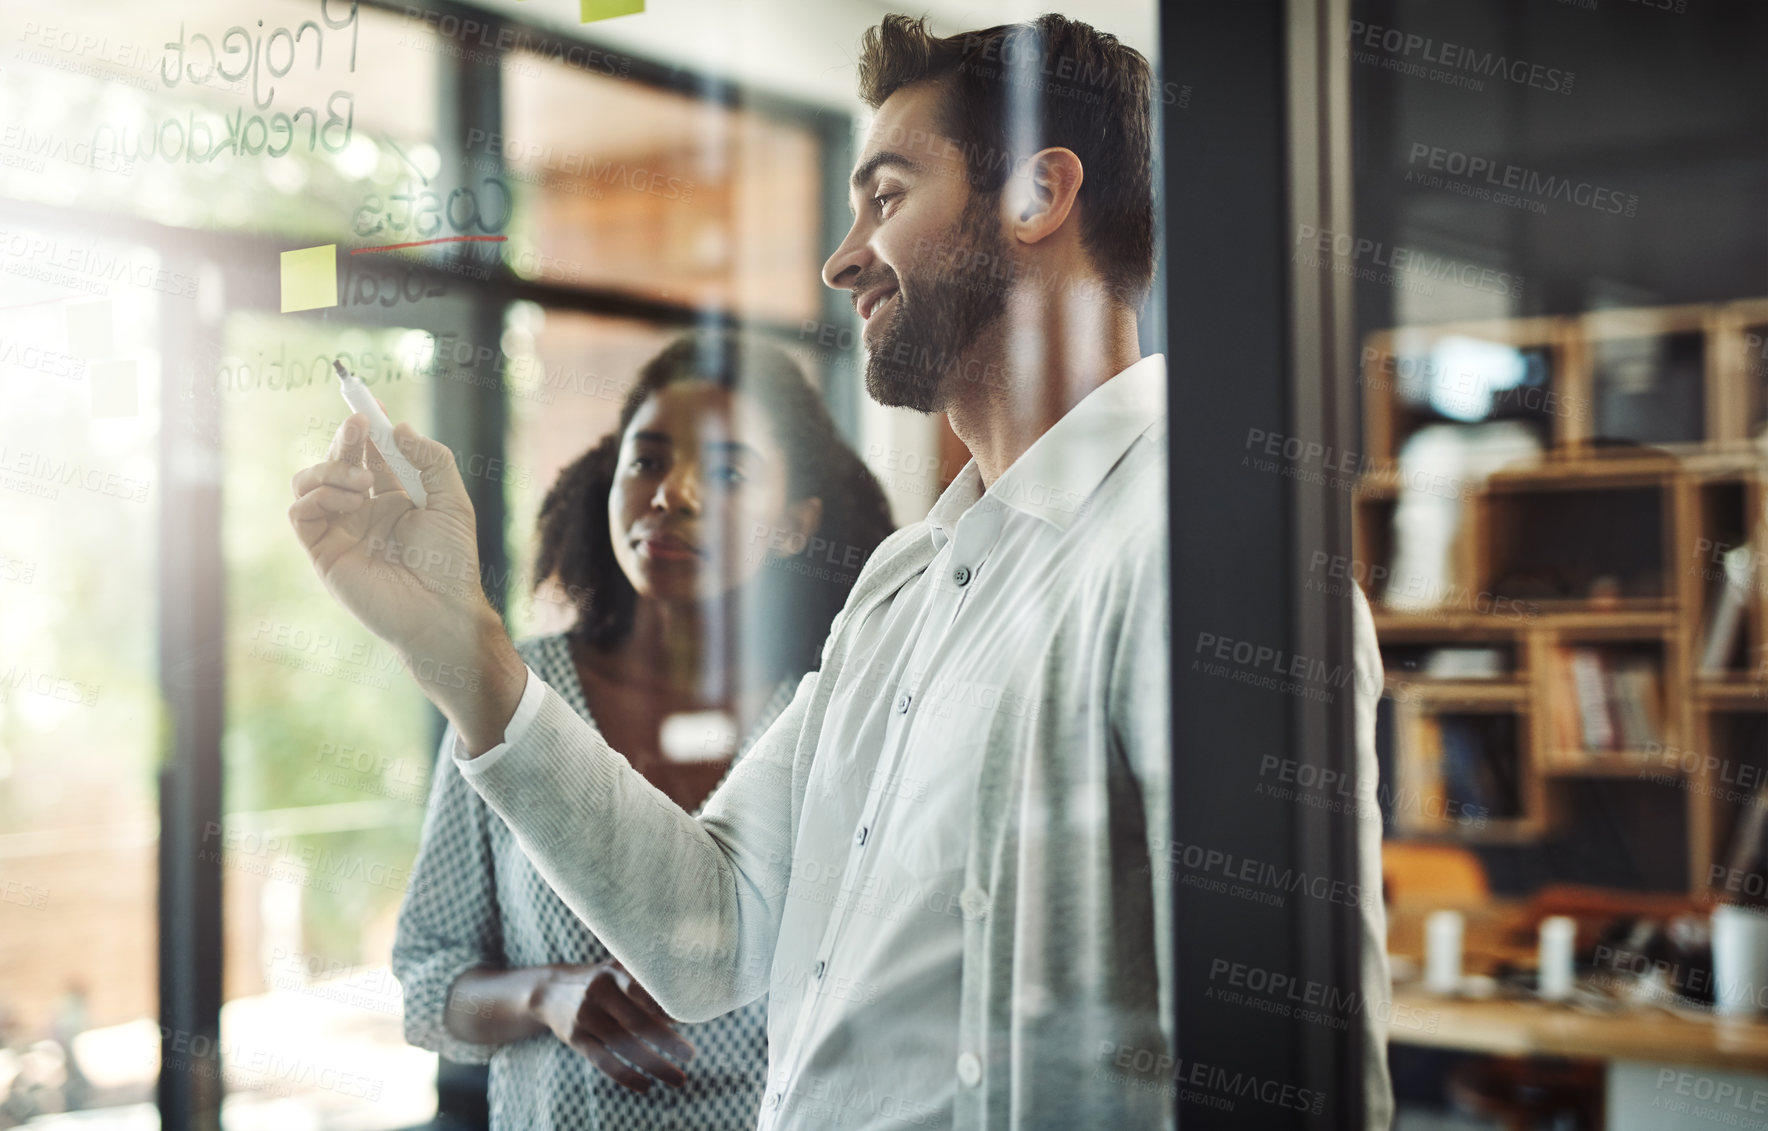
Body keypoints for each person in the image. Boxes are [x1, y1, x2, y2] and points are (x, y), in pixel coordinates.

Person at [290, 13, 1392, 1129]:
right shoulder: (903, 589)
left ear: (1037, 196)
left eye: (887, 195)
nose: (842, 255)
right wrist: (456, 641)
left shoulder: (1202, 550)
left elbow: (1301, 1080)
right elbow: (707, 935)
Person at [390, 330, 895, 1130]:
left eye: (728, 470)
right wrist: (544, 994)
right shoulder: (513, 697)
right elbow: (426, 985)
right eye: (648, 459)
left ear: (797, 524)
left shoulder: (825, 717)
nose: (672, 493)